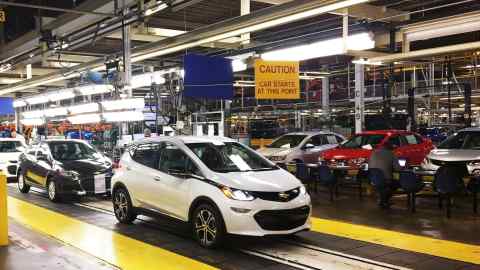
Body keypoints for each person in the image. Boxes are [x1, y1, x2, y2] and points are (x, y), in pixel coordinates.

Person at [368, 141, 402, 209]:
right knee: (398, 183)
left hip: (373, 179)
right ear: (390, 148)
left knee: (382, 186)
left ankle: (383, 200)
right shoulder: (391, 154)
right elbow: (398, 168)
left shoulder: (373, 153)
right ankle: (384, 200)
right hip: (385, 179)